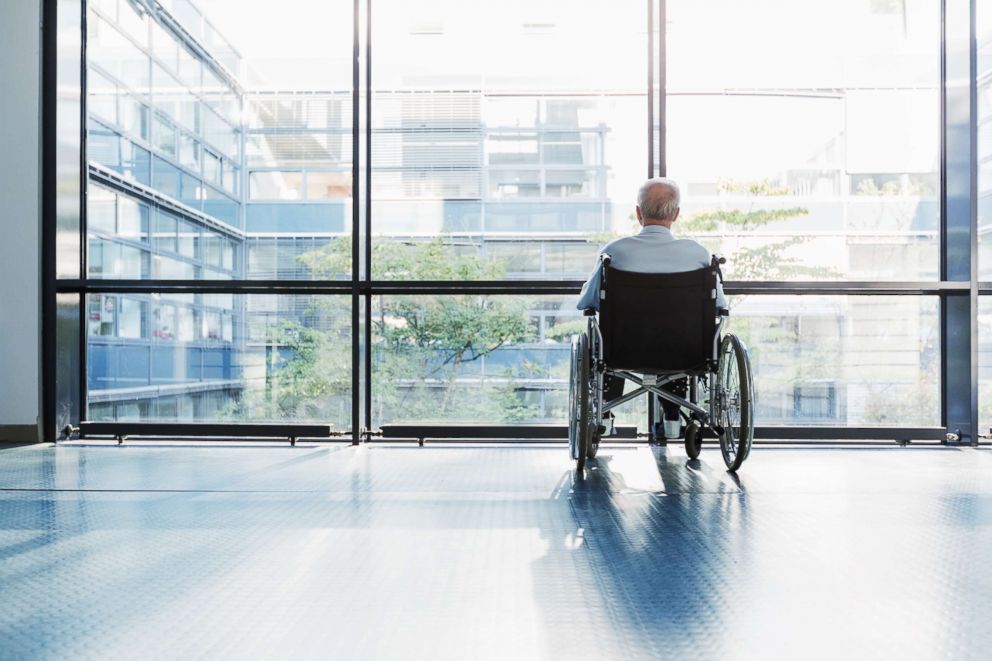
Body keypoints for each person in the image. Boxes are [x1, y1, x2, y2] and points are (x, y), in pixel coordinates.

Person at [576, 177, 727, 440]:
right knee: (678, 339)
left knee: (604, 337)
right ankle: (672, 417)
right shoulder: (698, 255)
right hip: (686, 353)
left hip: (622, 352)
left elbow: (586, 303)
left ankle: (604, 413)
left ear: (638, 213)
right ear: (676, 214)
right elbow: (721, 308)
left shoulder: (614, 253)